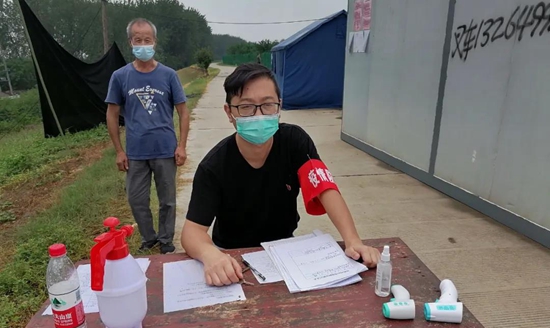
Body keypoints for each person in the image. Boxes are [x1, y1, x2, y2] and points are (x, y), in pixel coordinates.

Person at [180, 63, 380, 286]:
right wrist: (211, 256)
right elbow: (192, 232)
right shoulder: (214, 166)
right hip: (231, 256)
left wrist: (353, 241)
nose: (258, 115)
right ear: (229, 112)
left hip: (286, 251)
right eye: (246, 107)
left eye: (268, 105)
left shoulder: (295, 142)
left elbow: (325, 189)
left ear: (279, 106)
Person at [106, 18, 190, 254]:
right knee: (137, 199)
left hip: (165, 149)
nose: (143, 44)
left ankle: (165, 239)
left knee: (167, 200)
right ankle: (148, 237)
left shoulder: (169, 75)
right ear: (130, 42)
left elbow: (183, 112)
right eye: (138, 40)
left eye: (147, 40)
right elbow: (112, 114)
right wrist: (119, 151)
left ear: (155, 42)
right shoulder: (120, 76)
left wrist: (182, 146)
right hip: (136, 152)